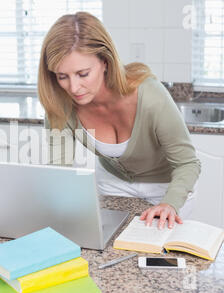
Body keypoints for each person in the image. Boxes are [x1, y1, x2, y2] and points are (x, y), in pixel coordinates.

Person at [37, 12, 200, 230]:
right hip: (113, 185)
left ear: (105, 62)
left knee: (157, 252)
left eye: (83, 74)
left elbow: (188, 163)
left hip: (168, 187)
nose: (73, 88)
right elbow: (60, 171)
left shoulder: (149, 95)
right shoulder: (60, 106)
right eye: (62, 76)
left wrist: (169, 203)